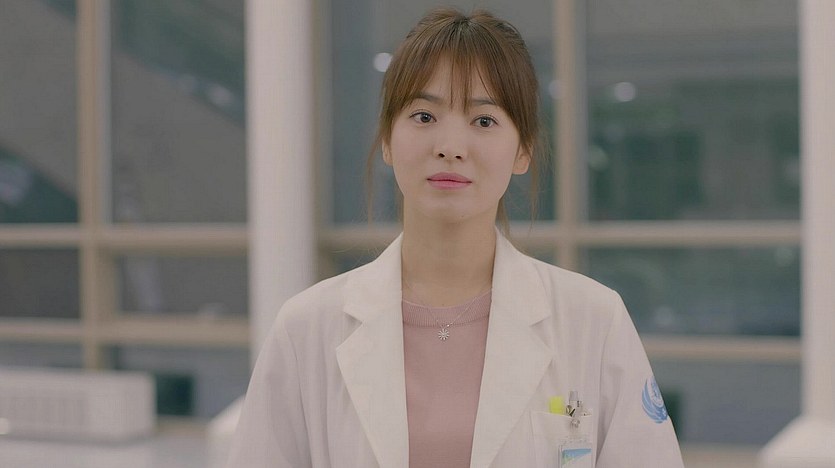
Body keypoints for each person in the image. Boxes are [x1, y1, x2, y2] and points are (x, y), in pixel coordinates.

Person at [227, 7, 684, 468]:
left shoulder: (593, 321)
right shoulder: (307, 329)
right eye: (424, 115)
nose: (450, 147)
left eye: (483, 121)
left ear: (523, 149)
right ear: (387, 139)